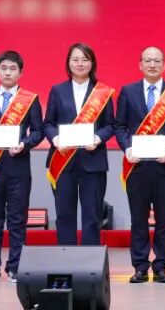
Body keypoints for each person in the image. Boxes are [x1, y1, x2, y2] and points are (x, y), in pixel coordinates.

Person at [115, 47, 165, 284]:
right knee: (138, 219)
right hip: (136, 166)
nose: (152, 64)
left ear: (164, 65)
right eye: (148, 60)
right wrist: (128, 148)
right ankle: (140, 266)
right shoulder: (128, 92)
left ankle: (161, 266)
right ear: (140, 65)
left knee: (164, 220)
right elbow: (120, 126)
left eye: (157, 61)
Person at [0, 50, 44, 284]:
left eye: (13, 69)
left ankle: (16, 267)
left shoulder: (30, 99)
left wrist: (24, 144)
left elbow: (39, 131)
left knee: (17, 220)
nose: (8, 73)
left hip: (18, 168)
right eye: (4, 68)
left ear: (21, 72)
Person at [44, 43, 116, 246]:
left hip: (93, 161)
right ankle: (66, 257)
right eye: (75, 59)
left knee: (92, 214)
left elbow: (110, 125)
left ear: (92, 63)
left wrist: (97, 139)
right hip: (62, 161)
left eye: (85, 59)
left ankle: (90, 259)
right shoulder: (58, 90)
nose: (80, 63)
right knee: (64, 214)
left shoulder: (102, 92)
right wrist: (56, 139)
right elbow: (48, 123)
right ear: (68, 63)